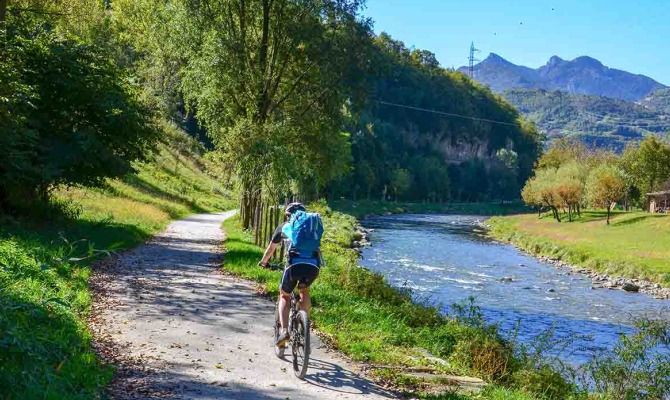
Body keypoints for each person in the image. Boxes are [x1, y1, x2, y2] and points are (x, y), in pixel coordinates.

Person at [258, 202, 321, 347]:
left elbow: (270, 249)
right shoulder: (312, 228)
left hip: (294, 266)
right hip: (313, 266)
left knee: (284, 295)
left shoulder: (284, 227)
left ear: (288, 215)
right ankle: (304, 327)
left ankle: (284, 331)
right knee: (304, 290)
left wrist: (263, 262)